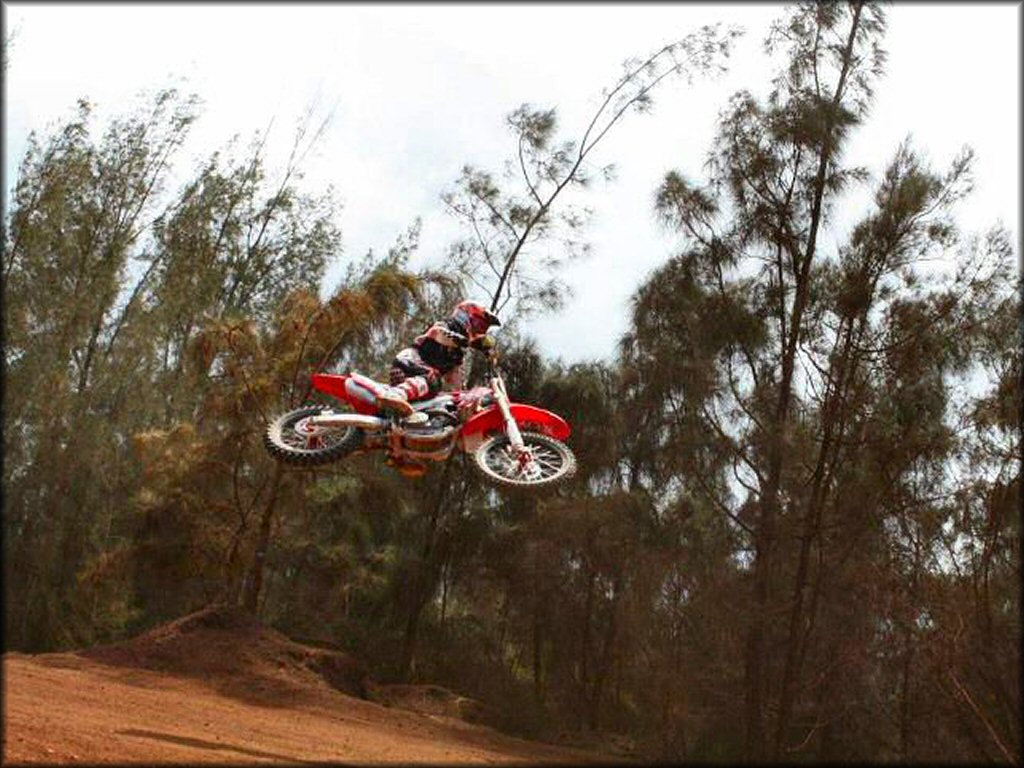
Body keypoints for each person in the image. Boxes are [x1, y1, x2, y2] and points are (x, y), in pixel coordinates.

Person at [376, 300, 500, 417]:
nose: (479, 331)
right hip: (410, 360)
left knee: (443, 393)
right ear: (464, 315)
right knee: (433, 379)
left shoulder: (457, 353)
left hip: (420, 376)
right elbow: (437, 333)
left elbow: (454, 381)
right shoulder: (446, 326)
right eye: (478, 325)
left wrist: (461, 397)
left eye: (483, 329)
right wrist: (456, 339)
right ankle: (395, 394)